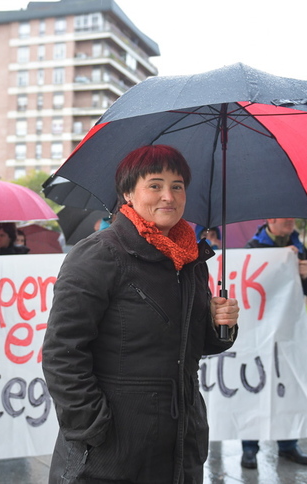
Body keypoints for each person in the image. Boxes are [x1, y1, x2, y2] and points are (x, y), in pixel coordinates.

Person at [42, 144, 239, 483]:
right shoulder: (99, 255)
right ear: (128, 193)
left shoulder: (190, 260)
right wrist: (93, 428)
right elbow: (62, 352)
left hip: (180, 442)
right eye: (155, 185)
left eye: (177, 186)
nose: (169, 196)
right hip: (112, 452)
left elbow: (192, 345)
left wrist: (221, 324)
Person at [240, 218, 307, 469]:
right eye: (285, 217)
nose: (291, 222)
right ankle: (249, 448)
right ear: (270, 219)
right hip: (258, 331)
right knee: (254, 389)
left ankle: (288, 445)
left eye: (292, 217)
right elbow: (246, 284)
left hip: (289, 333)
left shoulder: (300, 248)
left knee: (289, 385)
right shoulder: (252, 248)